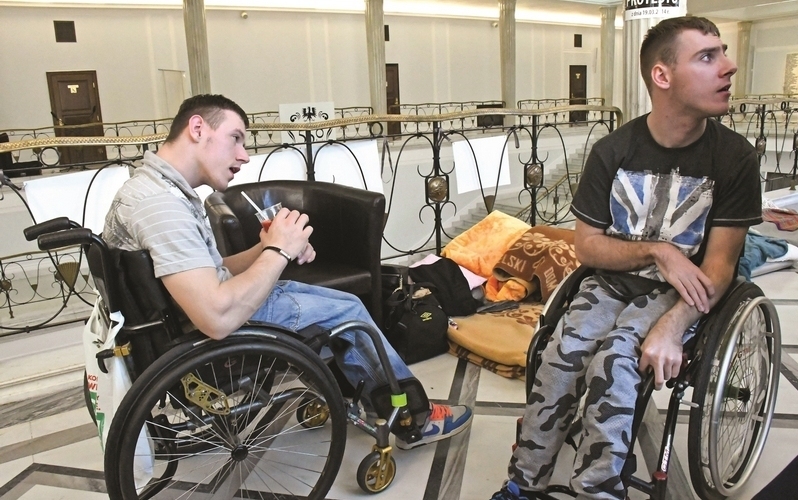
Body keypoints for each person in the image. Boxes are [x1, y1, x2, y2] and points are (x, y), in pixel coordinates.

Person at [103, 93, 471, 450]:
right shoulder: (161, 207)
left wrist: (268, 246)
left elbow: (209, 272)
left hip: (186, 317)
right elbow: (215, 318)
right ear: (197, 128)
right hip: (213, 327)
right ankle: (412, 417)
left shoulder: (155, 190)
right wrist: (279, 251)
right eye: (235, 138)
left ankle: (371, 399)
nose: (244, 155)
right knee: (349, 314)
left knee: (343, 304)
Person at [491, 16, 761, 500]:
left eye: (723, 52)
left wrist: (674, 326)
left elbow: (720, 268)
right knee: (559, 359)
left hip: (682, 293)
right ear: (662, 76)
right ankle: (522, 483)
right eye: (708, 57)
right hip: (610, 282)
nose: (729, 66)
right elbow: (588, 247)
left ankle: (598, 490)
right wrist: (658, 249)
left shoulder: (734, 158)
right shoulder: (613, 150)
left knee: (615, 364)